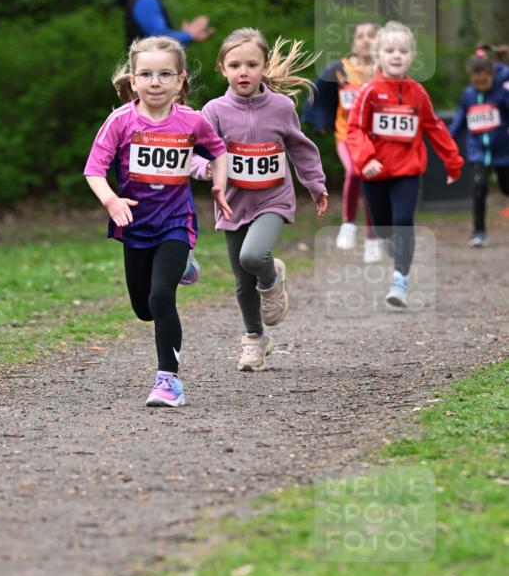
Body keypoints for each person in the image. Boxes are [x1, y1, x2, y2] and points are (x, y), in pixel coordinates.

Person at [84, 35, 231, 407]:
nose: (155, 82)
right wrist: (111, 199)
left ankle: (168, 382)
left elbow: (218, 151)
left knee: (161, 296)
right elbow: (94, 170)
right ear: (133, 81)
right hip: (135, 225)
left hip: (175, 223)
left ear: (180, 80)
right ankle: (184, 267)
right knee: (144, 308)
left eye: (165, 74)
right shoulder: (120, 121)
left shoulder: (192, 121)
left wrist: (219, 184)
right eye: (146, 74)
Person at [191, 27, 328, 373]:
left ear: (264, 66)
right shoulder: (214, 111)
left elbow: (300, 148)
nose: (243, 72)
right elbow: (193, 153)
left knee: (254, 256)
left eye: (252, 64)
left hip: (273, 199)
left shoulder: (281, 107)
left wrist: (315, 184)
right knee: (241, 280)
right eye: (235, 65)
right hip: (233, 203)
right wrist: (206, 169)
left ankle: (271, 278)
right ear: (222, 68)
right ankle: (255, 339)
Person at [346, 21, 464, 308]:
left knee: (403, 220)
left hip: (407, 171)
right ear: (378, 56)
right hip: (374, 172)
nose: (396, 55)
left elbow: (434, 127)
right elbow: (355, 129)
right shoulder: (369, 92)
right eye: (389, 50)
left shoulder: (417, 93)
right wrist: (366, 159)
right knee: (386, 228)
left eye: (402, 50)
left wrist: (453, 161)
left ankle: (400, 279)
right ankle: (392, 244)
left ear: (411, 56)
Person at [304, 22, 382, 263]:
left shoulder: (386, 71)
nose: (366, 40)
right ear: (352, 43)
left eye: (372, 36)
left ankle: (372, 239)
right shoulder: (339, 70)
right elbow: (317, 95)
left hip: (377, 141)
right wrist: (319, 121)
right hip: (347, 136)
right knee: (355, 172)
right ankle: (348, 224)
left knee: (372, 184)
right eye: (361, 36)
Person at [449, 48, 509, 247]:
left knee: (506, 187)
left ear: (492, 76)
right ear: (471, 78)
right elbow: (459, 121)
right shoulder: (468, 95)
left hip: (503, 152)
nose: (481, 86)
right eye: (477, 82)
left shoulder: (502, 93)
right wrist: (447, 139)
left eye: (485, 82)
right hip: (478, 151)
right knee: (479, 187)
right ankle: (479, 231)